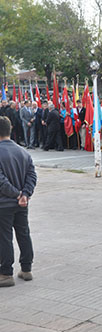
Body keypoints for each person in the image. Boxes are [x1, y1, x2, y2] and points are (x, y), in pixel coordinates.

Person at [0, 116, 37, 287]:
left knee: (4, 237)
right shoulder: (23, 151)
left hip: (4, 203)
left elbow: (1, 182)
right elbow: (32, 175)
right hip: (22, 203)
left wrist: (17, 194)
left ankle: (6, 272)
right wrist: (25, 194)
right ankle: (26, 269)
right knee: (23, 234)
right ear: (11, 129)